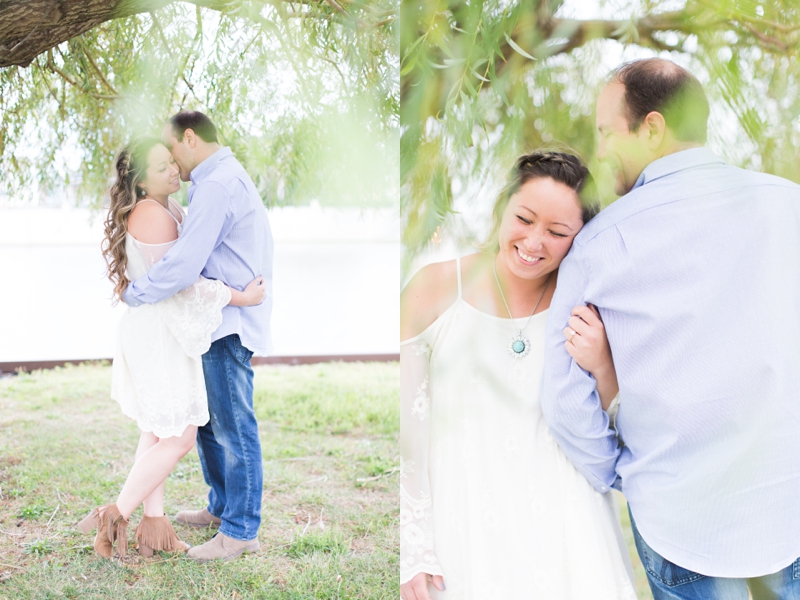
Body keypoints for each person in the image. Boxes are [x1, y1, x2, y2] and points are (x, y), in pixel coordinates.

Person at [541, 57, 800, 599]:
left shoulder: (598, 246)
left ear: (651, 128)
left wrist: (627, 475)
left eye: (608, 132)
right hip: (785, 506)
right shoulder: (790, 207)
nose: (602, 148)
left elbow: (565, 401)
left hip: (678, 518)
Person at [400, 152, 636, 599]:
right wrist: (414, 547)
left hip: (566, 526)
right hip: (465, 520)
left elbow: (611, 426)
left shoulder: (589, 306)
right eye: (524, 219)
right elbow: (406, 429)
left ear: (579, 238)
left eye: (557, 232)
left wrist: (603, 363)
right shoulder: (432, 288)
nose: (534, 241)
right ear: (501, 209)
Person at [80, 136, 266, 558]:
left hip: (161, 330)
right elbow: (182, 283)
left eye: (171, 162)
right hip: (160, 335)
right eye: (161, 166)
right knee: (180, 436)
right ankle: (116, 516)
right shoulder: (152, 214)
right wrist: (241, 297)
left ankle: (154, 527)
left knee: (158, 429)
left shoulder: (166, 207)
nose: (172, 170)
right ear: (142, 182)